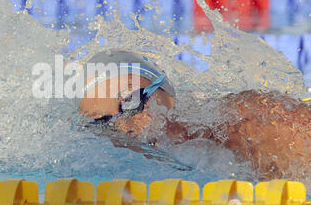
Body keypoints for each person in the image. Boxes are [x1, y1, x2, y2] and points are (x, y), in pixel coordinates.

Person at [77, 50, 310, 181]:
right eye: (105, 123)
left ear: (165, 92)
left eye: (131, 102)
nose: (125, 127)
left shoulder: (249, 121)